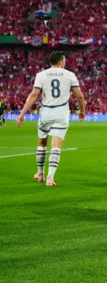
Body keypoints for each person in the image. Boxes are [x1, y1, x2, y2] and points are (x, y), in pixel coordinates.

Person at [16, 52, 86, 186]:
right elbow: (80, 96)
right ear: (60, 62)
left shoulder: (41, 75)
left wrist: (22, 113)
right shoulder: (69, 75)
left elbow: (34, 94)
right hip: (61, 113)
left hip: (46, 112)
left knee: (42, 143)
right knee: (56, 146)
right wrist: (82, 111)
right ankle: (50, 177)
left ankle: (40, 173)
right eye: (64, 61)